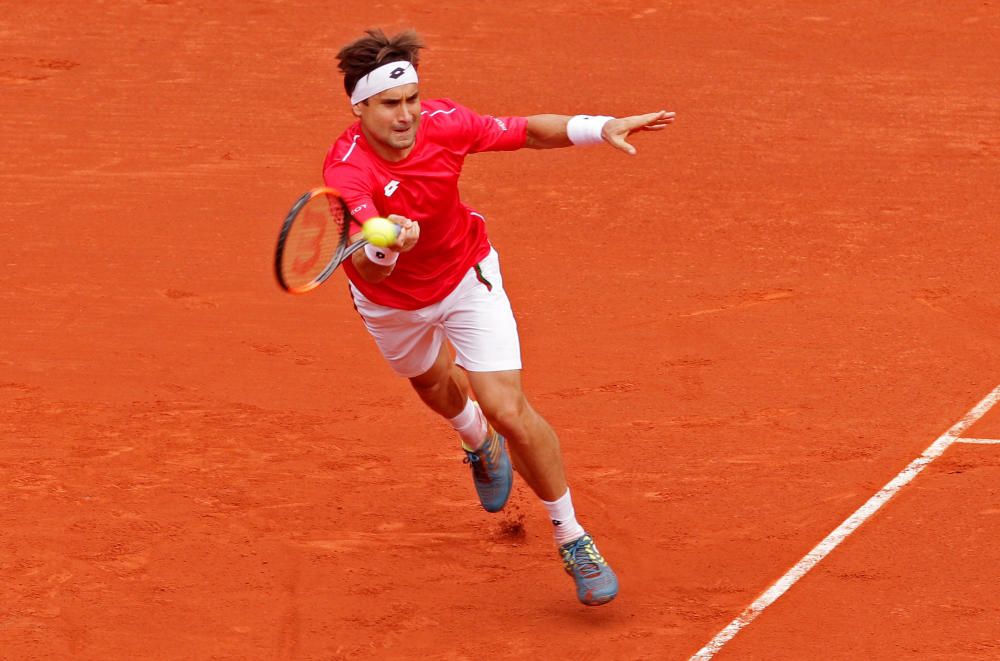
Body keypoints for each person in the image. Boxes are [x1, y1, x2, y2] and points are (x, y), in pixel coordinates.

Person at [323, 27, 675, 606]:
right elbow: (376, 271)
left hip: (466, 274)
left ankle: (572, 536)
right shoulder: (346, 174)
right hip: (390, 302)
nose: (407, 114)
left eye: (411, 98)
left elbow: (525, 132)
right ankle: (475, 443)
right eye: (390, 104)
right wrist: (388, 246)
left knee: (507, 406)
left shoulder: (446, 122)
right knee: (434, 384)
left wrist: (597, 127)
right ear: (359, 106)